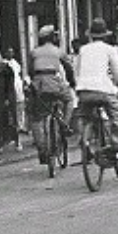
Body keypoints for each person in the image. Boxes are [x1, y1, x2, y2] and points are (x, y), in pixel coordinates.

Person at [75, 18, 118, 156]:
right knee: (116, 115)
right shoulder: (110, 49)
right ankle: (117, 144)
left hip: (84, 90)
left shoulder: (83, 50)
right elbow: (117, 72)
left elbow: (77, 71)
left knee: (84, 116)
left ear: (91, 35)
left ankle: (85, 140)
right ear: (105, 35)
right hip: (103, 90)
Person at [27, 26, 75, 165]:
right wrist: (72, 82)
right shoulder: (58, 51)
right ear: (52, 38)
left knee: (36, 116)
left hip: (38, 85)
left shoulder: (34, 52)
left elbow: (30, 70)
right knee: (69, 100)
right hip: (54, 83)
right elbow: (68, 68)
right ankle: (65, 125)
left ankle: (41, 147)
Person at [0, 50, 21, 154]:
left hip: (7, 99)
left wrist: (8, 99)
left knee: (10, 121)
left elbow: (10, 86)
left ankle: (16, 141)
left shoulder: (8, 70)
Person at [5, 47, 29, 135]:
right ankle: (12, 126)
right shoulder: (4, 63)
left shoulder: (16, 63)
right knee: (11, 107)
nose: (10, 54)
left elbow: (19, 73)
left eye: (12, 52)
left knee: (21, 106)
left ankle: (21, 125)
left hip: (18, 85)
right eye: (8, 52)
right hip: (10, 86)